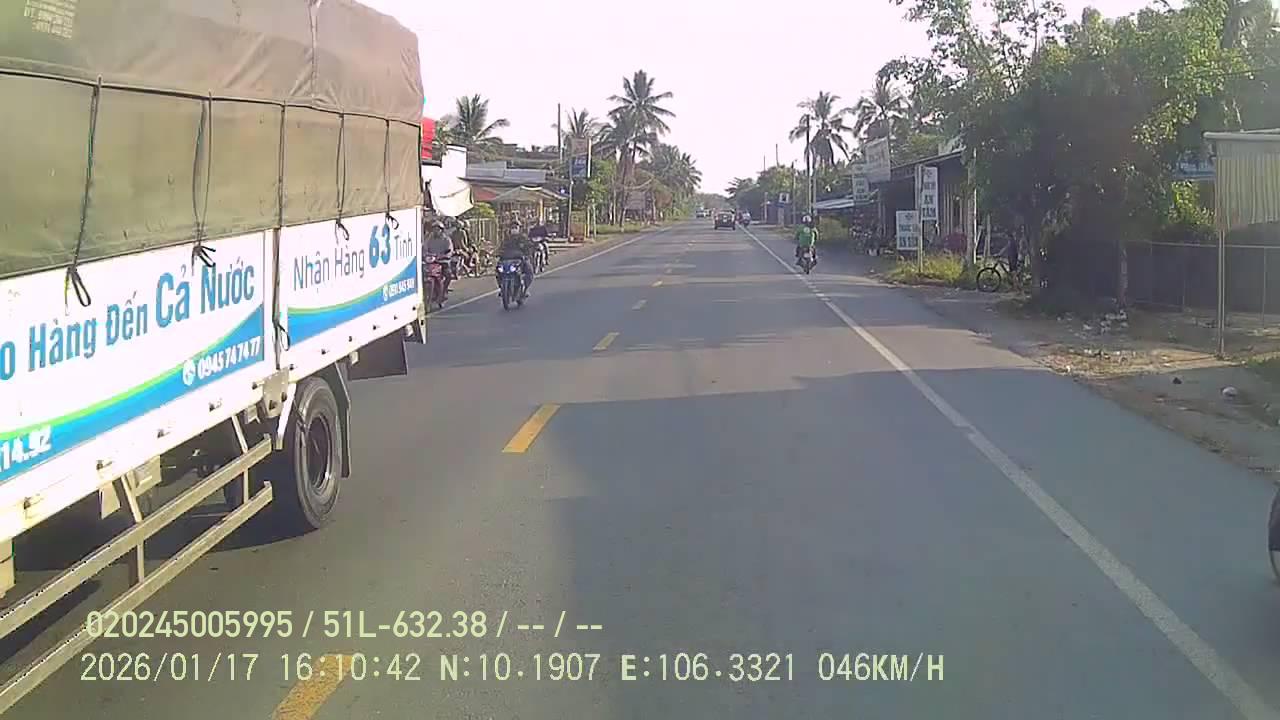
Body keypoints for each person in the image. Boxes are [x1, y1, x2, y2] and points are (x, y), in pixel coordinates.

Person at [496, 214, 535, 298]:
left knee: (529, 271)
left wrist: (527, 253)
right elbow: (501, 247)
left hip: (520, 259)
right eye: (512, 227)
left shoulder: (523, 237)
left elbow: (529, 246)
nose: (514, 229)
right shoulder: (506, 238)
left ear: (519, 228)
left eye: (516, 227)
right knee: (498, 271)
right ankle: (501, 288)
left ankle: (525, 289)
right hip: (506, 260)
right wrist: (497, 253)